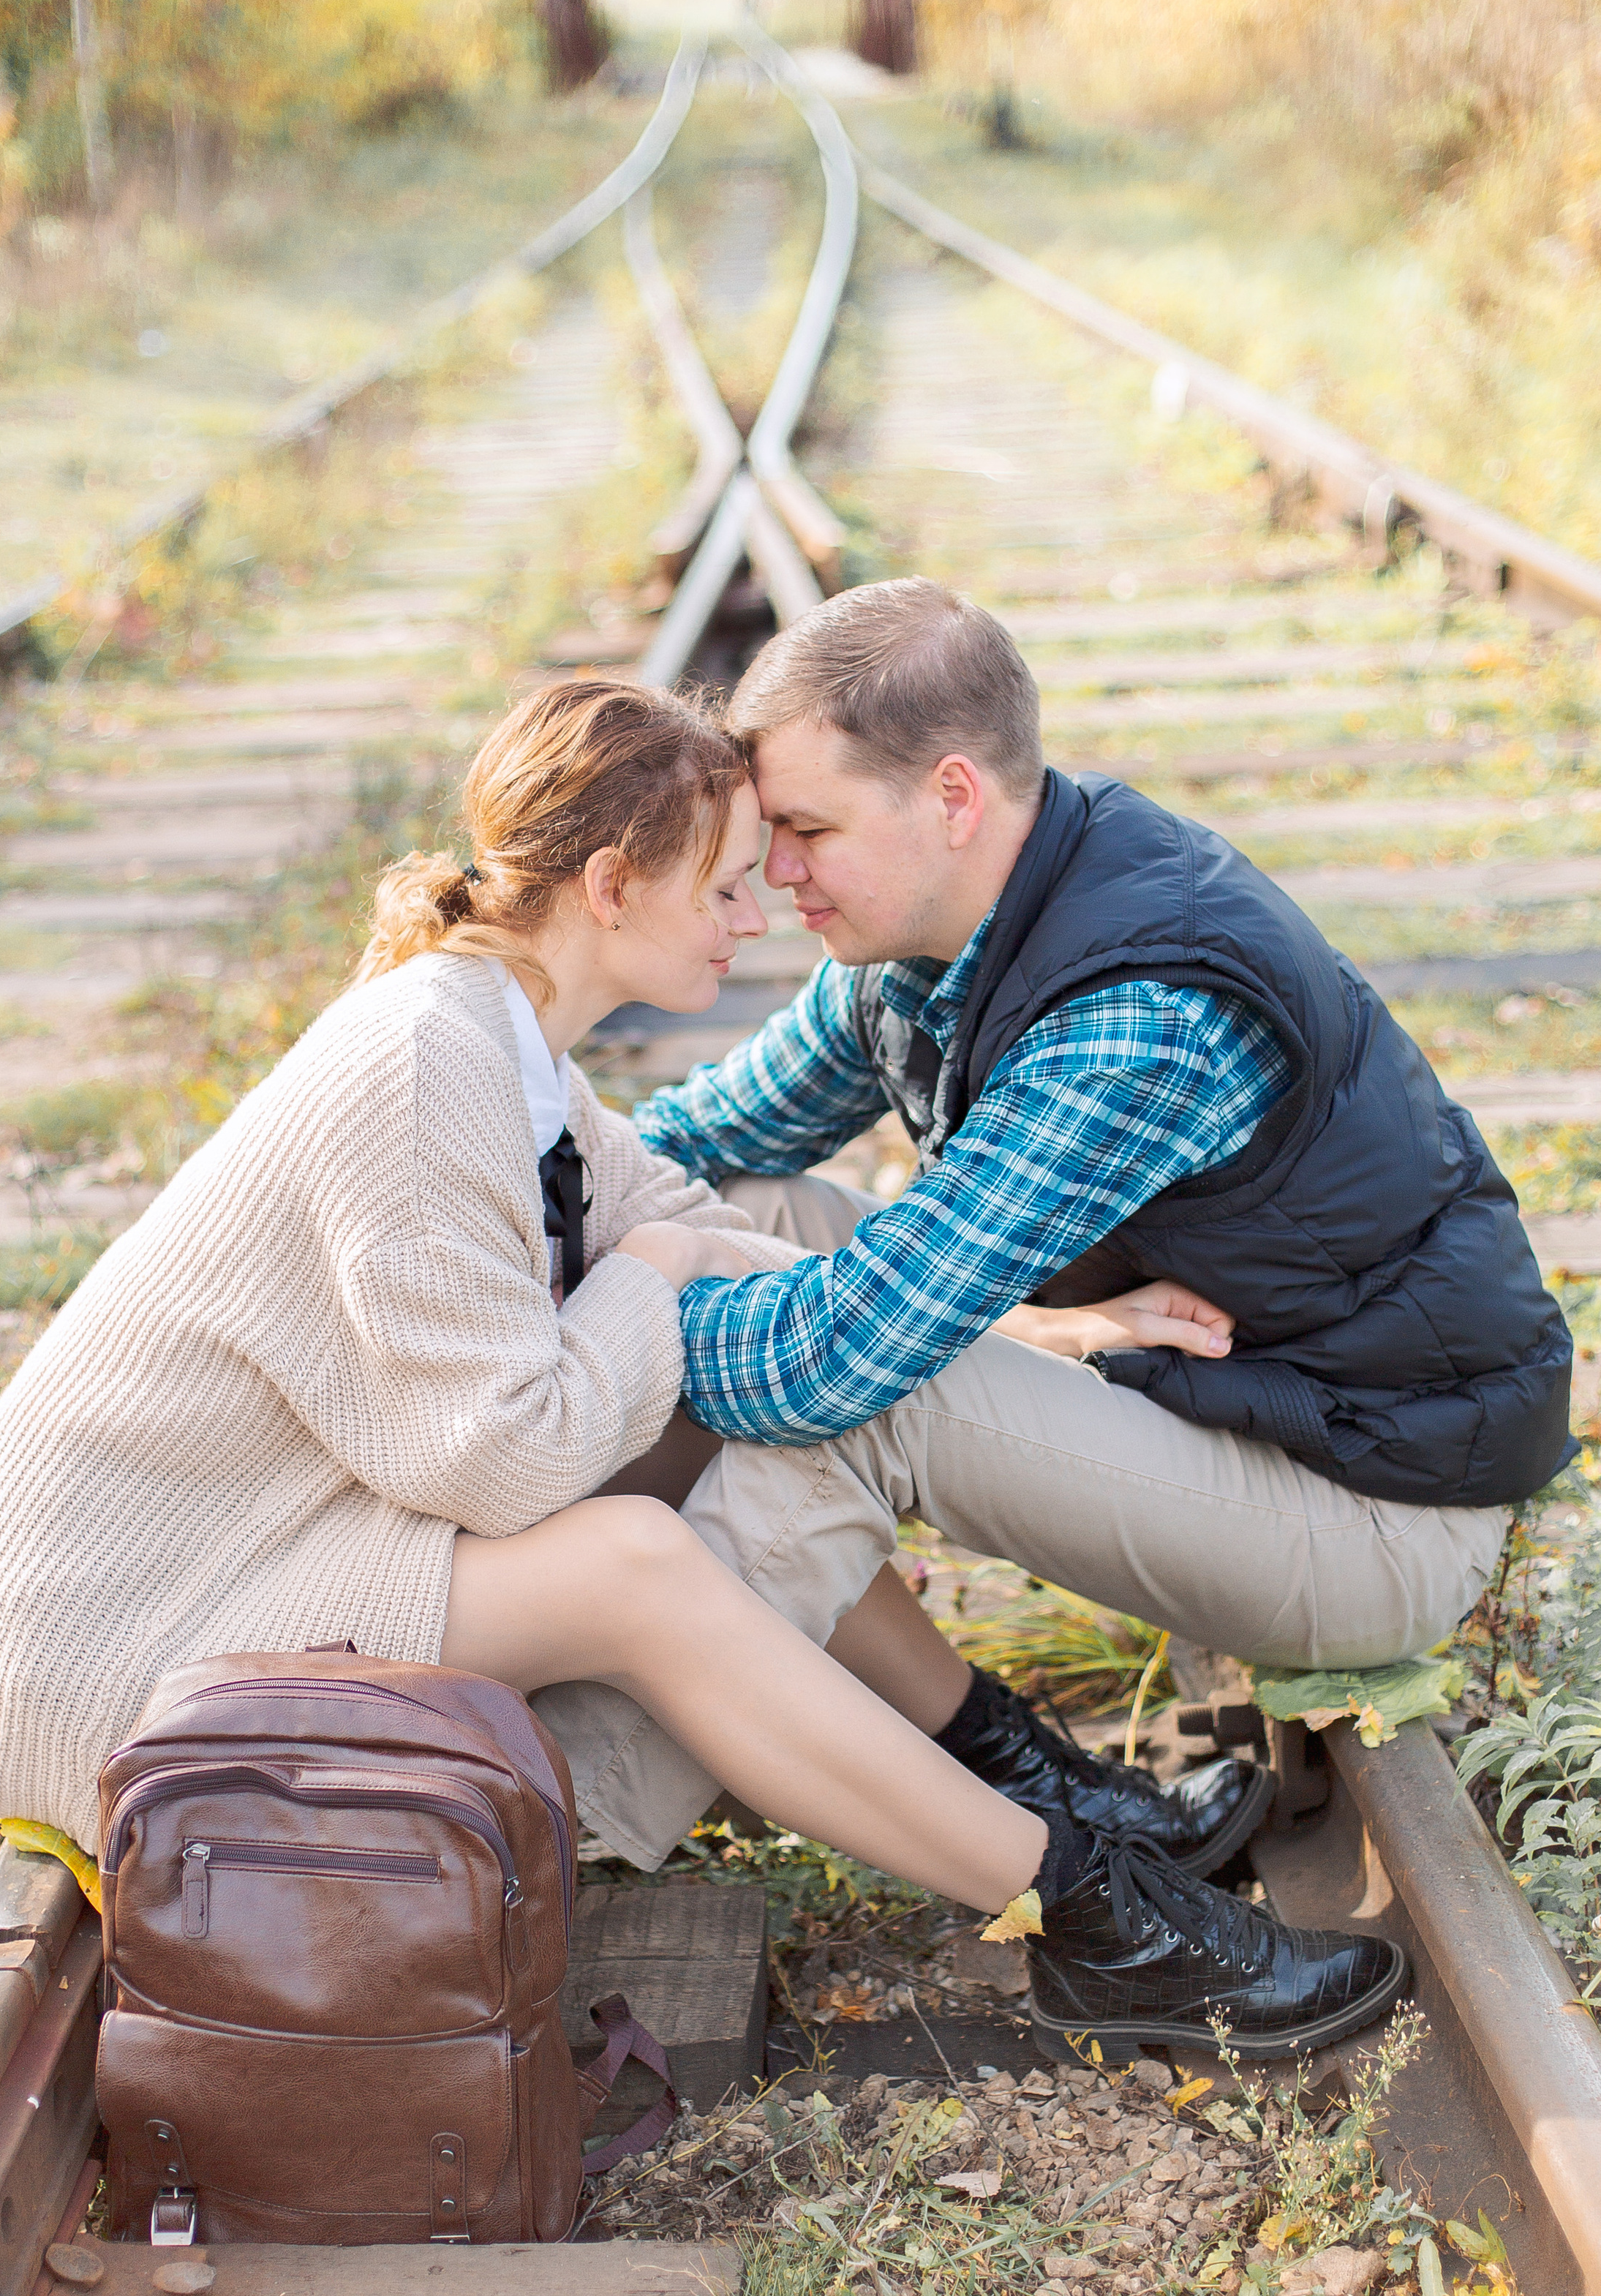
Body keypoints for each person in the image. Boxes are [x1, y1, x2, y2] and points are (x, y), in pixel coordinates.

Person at [0, 676, 1401, 2060]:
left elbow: (702, 1236)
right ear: (610, 887)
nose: (752, 917)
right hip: (125, 1641)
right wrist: (649, 1278)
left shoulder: (507, 1046)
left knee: (758, 1404)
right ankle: (1090, 1915)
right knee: (625, 1564)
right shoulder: (417, 1066)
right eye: (719, 886)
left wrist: (1023, 1330)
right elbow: (509, 1454)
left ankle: (1002, 1762)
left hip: (269, 1552)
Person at [527, 578, 1567, 1905]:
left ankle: (541, 1824)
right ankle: (972, 1747)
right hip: (1239, 1412)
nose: (773, 874)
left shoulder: (1140, 1007)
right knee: (757, 1226)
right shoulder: (929, 937)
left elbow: (835, 1367)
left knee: (864, 1396)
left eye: (804, 828)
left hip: (1378, 1517)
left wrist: (590, 1346)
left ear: (951, 797)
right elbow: (693, 1143)